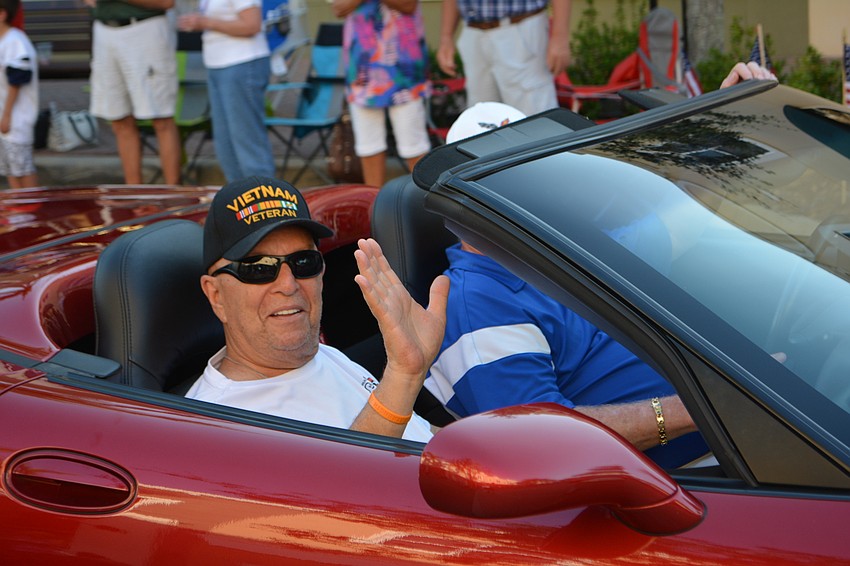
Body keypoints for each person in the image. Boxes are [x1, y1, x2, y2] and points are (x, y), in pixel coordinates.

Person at [424, 63, 777, 467]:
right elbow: (540, 444)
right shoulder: (475, 305)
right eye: (504, 175)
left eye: (530, 168)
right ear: (462, 198)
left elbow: (687, 212)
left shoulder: (563, 246)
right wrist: (705, 406)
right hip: (687, 482)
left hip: (744, 428)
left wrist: (722, 122)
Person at [187, 175, 450, 441]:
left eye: (304, 262)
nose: (288, 285)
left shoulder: (324, 356)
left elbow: (421, 436)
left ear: (321, 273)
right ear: (216, 294)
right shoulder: (216, 424)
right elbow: (344, 482)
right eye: (259, 268)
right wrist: (403, 375)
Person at [331, 0, 432, 189]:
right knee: (368, 146)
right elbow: (339, 7)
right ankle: (374, 208)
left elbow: (408, 4)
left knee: (414, 145)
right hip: (362, 69)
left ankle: (424, 207)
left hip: (403, 70)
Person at [177, 0, 276, 182]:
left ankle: (264, 203)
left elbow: (251, 25)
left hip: (241, 63)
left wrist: (206, 23)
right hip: (217, 65)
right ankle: (238, 202)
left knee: (247, 142)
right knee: (226, 145)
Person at [85, 0, 182, 185]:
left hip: (145, 29)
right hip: (104, 29)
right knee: (118, 119)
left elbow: (166, 2)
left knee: (161, 118)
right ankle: (134, 195)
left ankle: (173, 196)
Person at [436, 0, 571, 116]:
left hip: (521, 28)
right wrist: (446, 37)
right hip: (473, 31)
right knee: (481, 118)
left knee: (534, 117)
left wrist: (560, 37)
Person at [0, 0, 37, 189]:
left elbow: (17, 80)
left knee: (22, 167)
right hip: (5, 119)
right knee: (9, 168)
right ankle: (20, 210)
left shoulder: (15, 41)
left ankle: (33, 210)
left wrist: (6, 115)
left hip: (16, 119)